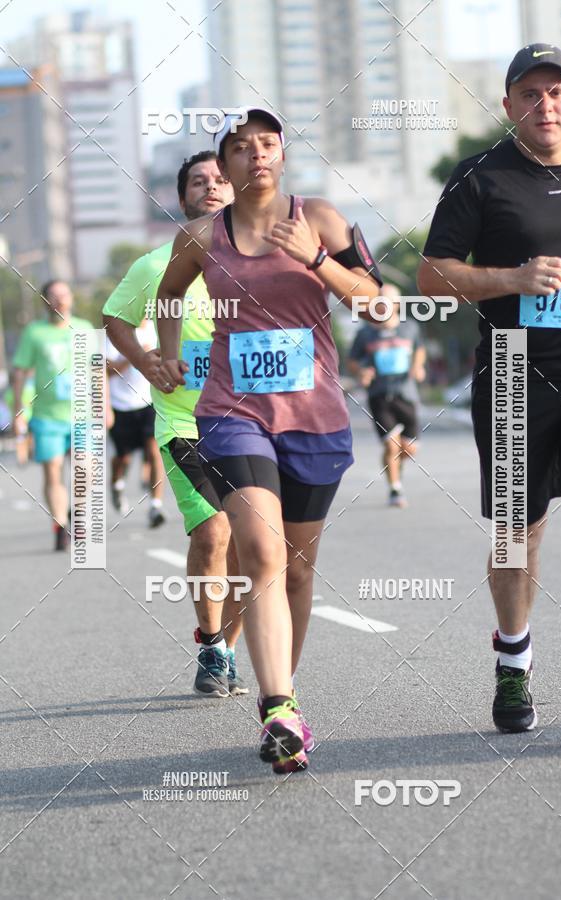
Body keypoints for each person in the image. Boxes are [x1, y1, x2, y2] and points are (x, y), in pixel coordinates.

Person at [155, 106, 382, 772]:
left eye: (267, 142)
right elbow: (171, 294)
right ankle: (278, 706)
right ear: (223, 163)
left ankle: (286, 694)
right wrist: (168, 355)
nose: (256, 153)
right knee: (260, 551)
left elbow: (376, 300)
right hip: (233, 414)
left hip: (315, 417)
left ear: (281, 154)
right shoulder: (201, 235)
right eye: (241, 146)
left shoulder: (321, 219)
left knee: (299, 570)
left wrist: (314, 258)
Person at [417, 44, 561, 732]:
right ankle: (514, 659)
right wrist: (514, 279)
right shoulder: (480, 178)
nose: (544, 105)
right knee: (517, 536)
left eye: (557, 92)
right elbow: (432, 277)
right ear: (509, 107)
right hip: (514, 367)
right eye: (530, 93)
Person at [103, 151, 248, 696]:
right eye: (198, 181)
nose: (210, 187)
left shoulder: (260, 261)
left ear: (236, 189)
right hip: (183, 422)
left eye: (219, 180)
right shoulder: (155, 264)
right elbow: (115, 319)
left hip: (253, 425)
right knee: (213, 532)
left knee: (250, 550)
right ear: (184, 196)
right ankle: (210, 644)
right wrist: (146, 363)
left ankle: (226, 649)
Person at [11, 280, 94, 551]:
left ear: (71, 298)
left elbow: (97, 370)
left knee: (86, 470)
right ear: (46, 301)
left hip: (82, 414)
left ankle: (77, 514)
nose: (59, 300)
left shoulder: (84, 328)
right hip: (47, 415)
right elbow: (21, 371)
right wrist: (19, 410)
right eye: (53, 296)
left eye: (64, 294)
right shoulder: (35, 333)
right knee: (53, 470)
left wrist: (104, 407)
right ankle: (60, 524)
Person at [347, 283, 426, 507]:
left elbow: (419, 349)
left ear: (397, 304)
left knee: (408, 448)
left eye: (388, 301)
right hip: (379, 395)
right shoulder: (365, 333)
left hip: (406, 393)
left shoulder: (409, 327)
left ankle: (394, 467)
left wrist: (418, 366)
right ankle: (395, 490)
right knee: (391, 445)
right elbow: (352, 361)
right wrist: (362, 371)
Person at [106, 318, 166, 526]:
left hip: (149, 401)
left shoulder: (155, 329)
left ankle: (155, 506)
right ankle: (116, 484)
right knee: (124, 457)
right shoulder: (116, 332)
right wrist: (137, 356)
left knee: (154, 451)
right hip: (121, 405)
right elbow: (106, 370)